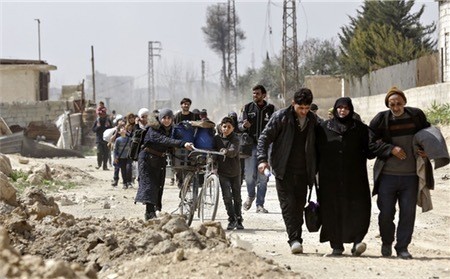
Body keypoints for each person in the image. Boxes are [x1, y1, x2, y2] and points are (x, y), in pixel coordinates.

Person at [369, 86, 430, 259]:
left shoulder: (416, 116)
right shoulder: (380, 119)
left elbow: (428, 135)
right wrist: (390, 149)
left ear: (404, 102)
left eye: (398, 103)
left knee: (408, 214)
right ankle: (387, 243)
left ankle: (402, 247)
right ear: (387, 104)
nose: (396, 107)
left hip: (410, 177)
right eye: (392, 104)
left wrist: (426, 150)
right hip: (387, 177)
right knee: (386, 213)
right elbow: (370, 144)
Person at [257, 88, 317, 254]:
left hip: (304, 172)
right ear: (293, 104)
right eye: (301, 108)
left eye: (307, 108)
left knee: (299, 205)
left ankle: (296, 236)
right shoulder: (281, 117)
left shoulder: (313, 120)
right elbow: (264, 138)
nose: (304, 112)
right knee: (288, 205)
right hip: (283, 170)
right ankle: (294, 239)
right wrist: (262, 160)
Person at [316, 97, 373, 256]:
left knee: (357, 208)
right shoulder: (323, 128)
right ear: (335, 109)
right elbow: (314, 151)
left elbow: (372, 149)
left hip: (355, 178)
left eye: (346, 108)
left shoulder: (360, 128)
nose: (342, 110)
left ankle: (357, 242)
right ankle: (336, 244)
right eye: (339, 107)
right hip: (330, 178)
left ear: (351, 110)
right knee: (332, 210)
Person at [135, 108, 194, 220]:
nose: (166, 120)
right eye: (164, 118)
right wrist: (182, 143)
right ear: (160, 118)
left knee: (158, 186)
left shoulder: (171, 129)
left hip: (159, 159)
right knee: (150, 186)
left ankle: (153, 211)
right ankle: (149, 213)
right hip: (147, 159)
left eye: (169, 118)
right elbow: (163, 140)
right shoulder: (153, 128)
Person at [239, 84, 275, 213]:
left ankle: (260, 204)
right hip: (251, 145)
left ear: (264, 95)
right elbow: (239, 125)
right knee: (249, 175)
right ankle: (250, 195)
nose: (255, 96)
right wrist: (244, 126)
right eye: (253, 93)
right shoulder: (247, 108)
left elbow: (275, 126)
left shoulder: (270, 109)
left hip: (266, 147)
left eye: (258, 94)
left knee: (263, 177)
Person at [214, 116, 243, 230]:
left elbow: (233, 151)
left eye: (228, 127)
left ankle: (239, 219)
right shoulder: (216, 139)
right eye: (224, 126)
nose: (226, 129)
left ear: (233, 128)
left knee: (237, 197)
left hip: (235, 172)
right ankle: (231, 219)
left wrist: (226, 151)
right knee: (227, 197)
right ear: (221, 127)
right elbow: (213, 151)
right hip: (223, 172)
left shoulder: (235, 139)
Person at [92, 105, 112, 170]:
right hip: (99, 140)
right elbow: (93, 130)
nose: (102, 115)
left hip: (106, 140)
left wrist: (108, 126)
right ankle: (99, 164)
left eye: (103, 114)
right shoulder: (97, 121)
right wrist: (98, 127)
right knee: (99, 152)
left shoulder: (108, 121)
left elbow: (112, 130)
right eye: (101, 114)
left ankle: (105, 166)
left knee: (106, 153)